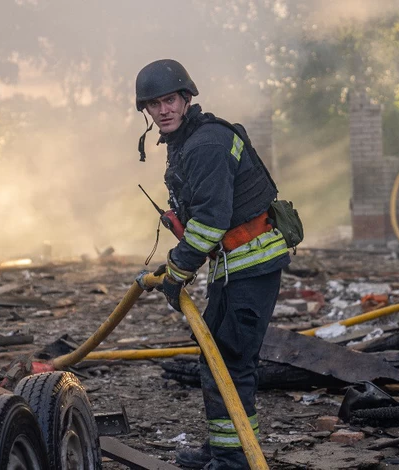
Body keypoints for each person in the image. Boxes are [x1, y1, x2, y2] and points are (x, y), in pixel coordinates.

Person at [134, 59, 290, 469]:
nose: (163, 110)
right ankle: (229, 447)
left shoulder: (205, 145)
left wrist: (176, 272)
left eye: (169, 100)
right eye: (154, 104)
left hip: (250, 264)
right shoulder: (188, 142)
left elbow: (210, 221)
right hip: (234, 265)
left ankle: (233, 460)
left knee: (231, 360)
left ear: (186, 99)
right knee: (218, 358)